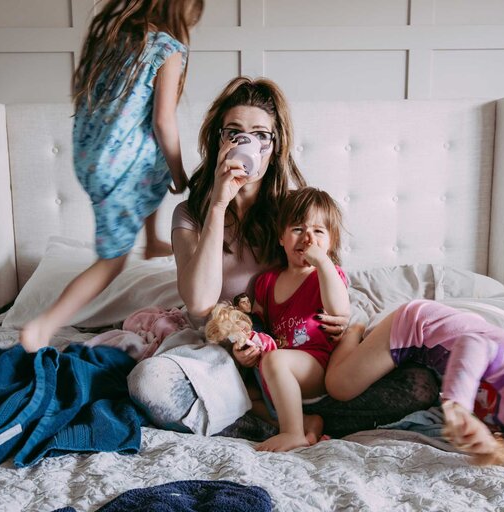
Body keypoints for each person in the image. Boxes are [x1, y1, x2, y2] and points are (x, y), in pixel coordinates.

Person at [129, 76, 439, 438]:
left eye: (262, 135)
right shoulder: (190, 214)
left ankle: (266, 412)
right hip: (224, 356)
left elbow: (326, 277)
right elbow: (199, 303)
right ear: (219, 140)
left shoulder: (290, 214)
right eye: (235, 132)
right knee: (147, 383)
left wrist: (344, 322)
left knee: (420, 384)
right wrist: (218, 202)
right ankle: (282, 418)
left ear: (274, 147)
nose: (249, 143)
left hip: (294, 356)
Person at [20, 0, 204, 352]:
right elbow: (164, 122)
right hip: (120, 165)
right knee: (113, 261)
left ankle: (150, 239)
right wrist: (180, 173)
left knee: (151, 157)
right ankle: (43, 326)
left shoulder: (117, 43)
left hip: (93, 158)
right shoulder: (168, 49)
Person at [324, 299, 504, 500]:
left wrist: (488, 440)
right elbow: (473, 343)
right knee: (340, 386)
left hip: (433, 363)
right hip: (418, 328)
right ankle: (354, 329)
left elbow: (499, 409)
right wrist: (459, 406)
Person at [246, 187, 351, 452]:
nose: (308, 238)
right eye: (297, 229)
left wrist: (323, 263)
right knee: (243, 396)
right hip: (277, 371)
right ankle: (305, 421)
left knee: (275, 359)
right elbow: (256, 327)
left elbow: (339, 310)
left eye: (318, 231)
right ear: (281, 237)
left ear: (331, 242)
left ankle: (291, 432)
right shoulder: (267, 281)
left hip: (314, 365)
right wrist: (246, 347)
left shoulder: (327, 275)